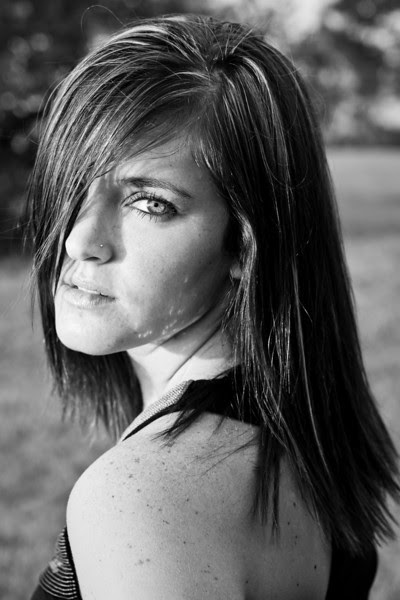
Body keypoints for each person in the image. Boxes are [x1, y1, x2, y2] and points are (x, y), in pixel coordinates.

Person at [28, 14, 399, 600]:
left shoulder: (139, 500)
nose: (79, 240)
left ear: (245, 245)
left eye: (150, 203)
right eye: (75, 183)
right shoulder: (300, 439)